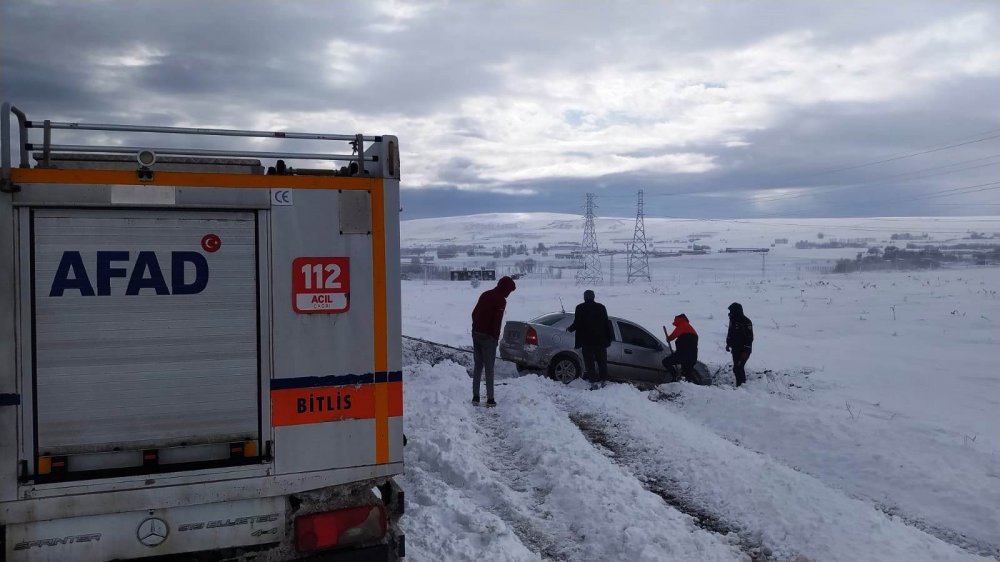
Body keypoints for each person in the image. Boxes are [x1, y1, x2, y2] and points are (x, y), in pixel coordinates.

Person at [470, 276, 516, 406]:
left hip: (476, 334)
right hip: (488, 338)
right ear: (505, 288)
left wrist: (476, 329)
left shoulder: (485, 294)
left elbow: (474, 313)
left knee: (478, 366)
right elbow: (497, 321)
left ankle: (475, 397)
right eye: (510, 291)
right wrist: (495, 337)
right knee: (489, 368)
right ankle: (490, 399)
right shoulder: (500, 300)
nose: (509, 294)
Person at [567, 290, 613, 390]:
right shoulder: (601, 307)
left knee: (589, 362)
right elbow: (606, 323)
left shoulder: (580, 308)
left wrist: (569, 329)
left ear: (584, 297)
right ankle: (603, 380)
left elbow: (577, 323)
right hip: (600, 341)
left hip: (586, 341)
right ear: (593, 297)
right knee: (602, 361)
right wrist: (609, 339)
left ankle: (593, 382)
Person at [662, 314, 698, 382]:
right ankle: (686, 389)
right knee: (686, 376)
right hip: (692, 357)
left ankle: (675, 376)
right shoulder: (691, 329)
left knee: (666, 362)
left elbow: (674, 335)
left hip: (683, 355)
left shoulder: (683, 325)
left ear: (678, 319)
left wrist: (669, 338)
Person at [726, 302, 754, 387]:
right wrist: (728, 344)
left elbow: (750, 337)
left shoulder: (746, 321)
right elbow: (730, 333)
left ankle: (742, 387)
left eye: (731, 311)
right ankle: (740, 386)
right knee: (736, 368)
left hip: (744, 350)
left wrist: (746, 350)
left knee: (738, 367)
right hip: (735, 349)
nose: (730, 313)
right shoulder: (732, 320)